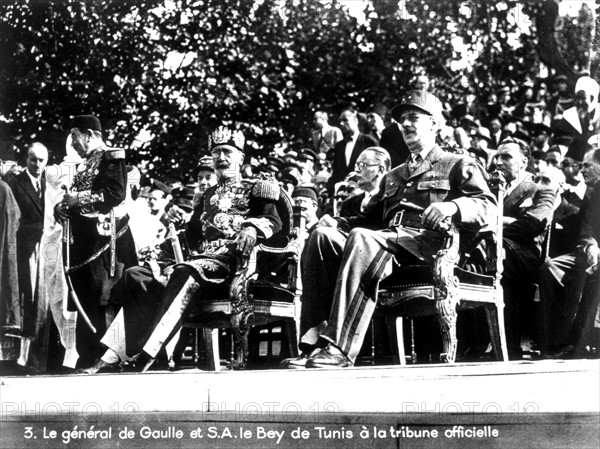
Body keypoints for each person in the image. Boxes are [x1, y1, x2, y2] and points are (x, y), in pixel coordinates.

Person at [282, 91, 496, 369]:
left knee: (362, 239)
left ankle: (340, 349)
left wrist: (453, 207)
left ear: (434, 124)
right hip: (388, 247)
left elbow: (487, 207)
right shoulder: (393, 175)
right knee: (322, 237)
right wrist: (336, 223)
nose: (406, 124)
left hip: (428, 248)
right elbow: (364, 221)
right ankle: (313, 344)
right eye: (401, 120)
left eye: (414, 118)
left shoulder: (457, 164)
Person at [80, 126, 282, 373]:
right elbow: (192, 237)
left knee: (185, 272)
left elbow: (274, 221)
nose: (221, 158)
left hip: (232, 265)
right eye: (217, 152)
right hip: (198, 263)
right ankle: (119, 353)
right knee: (136, 275)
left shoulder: (256, 188)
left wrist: (251, 228)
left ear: (241, 157)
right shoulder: (205, 196)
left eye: (228, 152)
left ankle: (147, 353)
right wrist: (163, 247)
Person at [53, 115, 138, 368]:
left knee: (103, 297)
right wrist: (62, 207)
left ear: (89, 135)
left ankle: (106, 357)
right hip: (84, 245)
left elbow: (114, 193)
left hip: (106, 245)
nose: (73, 142)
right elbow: (74, 199)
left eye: (75, 136)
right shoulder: (85, 163)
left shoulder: (111, 158)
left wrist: (77, 200)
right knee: (85, 298)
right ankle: (87, 355)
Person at [490, 138, 557, 358]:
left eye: (506, 157)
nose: (498, 162)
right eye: (497, 157)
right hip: (498, 248)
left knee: (486, 251)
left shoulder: (539, 187)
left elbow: (529, 227)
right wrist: (506, 221)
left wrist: (495, 224)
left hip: (524, 256)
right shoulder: (490, 189)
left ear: (523, 161)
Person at [539, 148, 600, 357]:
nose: (580, 170)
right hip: (590, 253)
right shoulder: (596, 191)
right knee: (551, 267)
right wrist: (591, 245)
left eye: (586, 165)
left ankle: (582, 340)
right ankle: (559, 339)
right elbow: (588, 226)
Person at [328, 110, 378, 193]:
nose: (341, 124)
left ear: (355, 121)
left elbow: (375, 169)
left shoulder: (369, 141)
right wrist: (328, 189)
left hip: (363, 191)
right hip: (342, 194)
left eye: (345, 120)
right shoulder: (339, 146)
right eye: (340, 121)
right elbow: (336, 172)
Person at [339, 147, 391, 217]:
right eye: (356, 165)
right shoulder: (348, 204)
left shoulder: (391, 202)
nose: (356, 170)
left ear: (380, 170)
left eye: (362, 165)